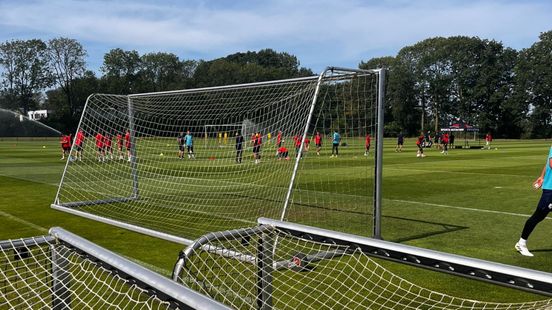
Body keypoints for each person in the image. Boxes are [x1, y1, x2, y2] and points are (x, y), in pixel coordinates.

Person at [515, 146, 552, 257]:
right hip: (550, 189)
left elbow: (547, 164)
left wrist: (541, 176)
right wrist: (543, 177)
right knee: (538, 216)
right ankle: (521, 243)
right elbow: (551, 164)